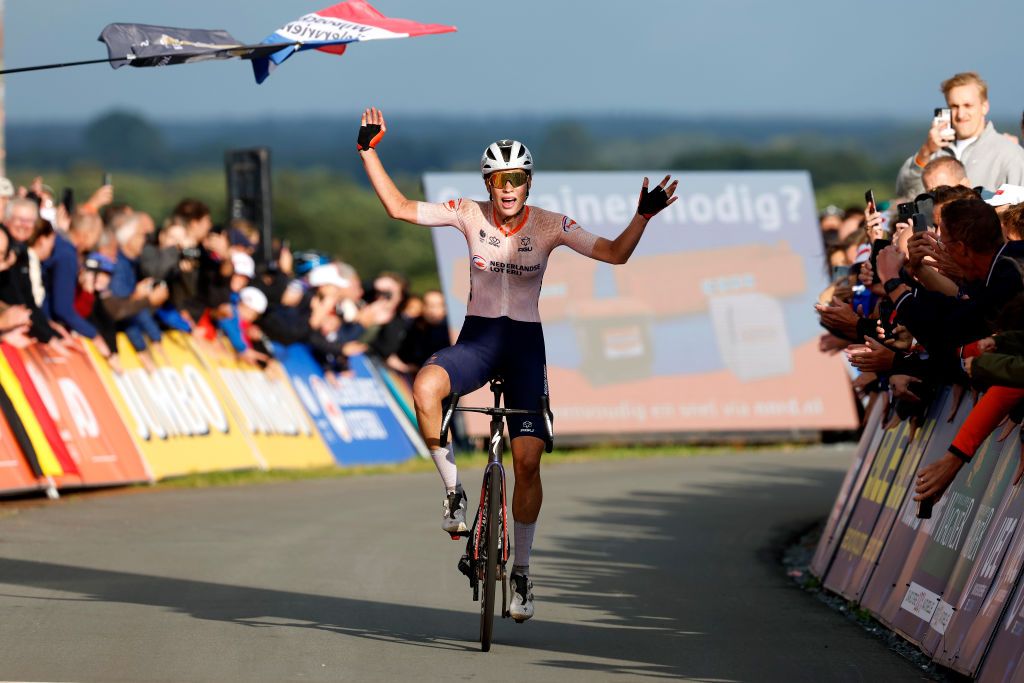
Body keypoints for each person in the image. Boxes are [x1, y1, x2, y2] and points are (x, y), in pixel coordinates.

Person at [357, 106, 677, 622]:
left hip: (526, 344)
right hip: (479, 338)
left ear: (528, 183)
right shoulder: (467, 212)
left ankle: (523, 572)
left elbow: (616, 254)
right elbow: (397, 208)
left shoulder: (552, 224)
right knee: (424, 387)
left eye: (518, 179)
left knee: (528, 462)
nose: (508, 188)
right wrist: (368, 151)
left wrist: (642, 216)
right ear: (489, 183)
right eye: (500, 180)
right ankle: (453, 492)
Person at [896, 72, 1024, 197]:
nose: (961, 114)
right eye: (954, 106)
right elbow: (904, 192)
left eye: (968, 105)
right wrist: (926, 151)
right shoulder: (936, 152)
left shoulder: (1010, 155)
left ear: (984, 106)